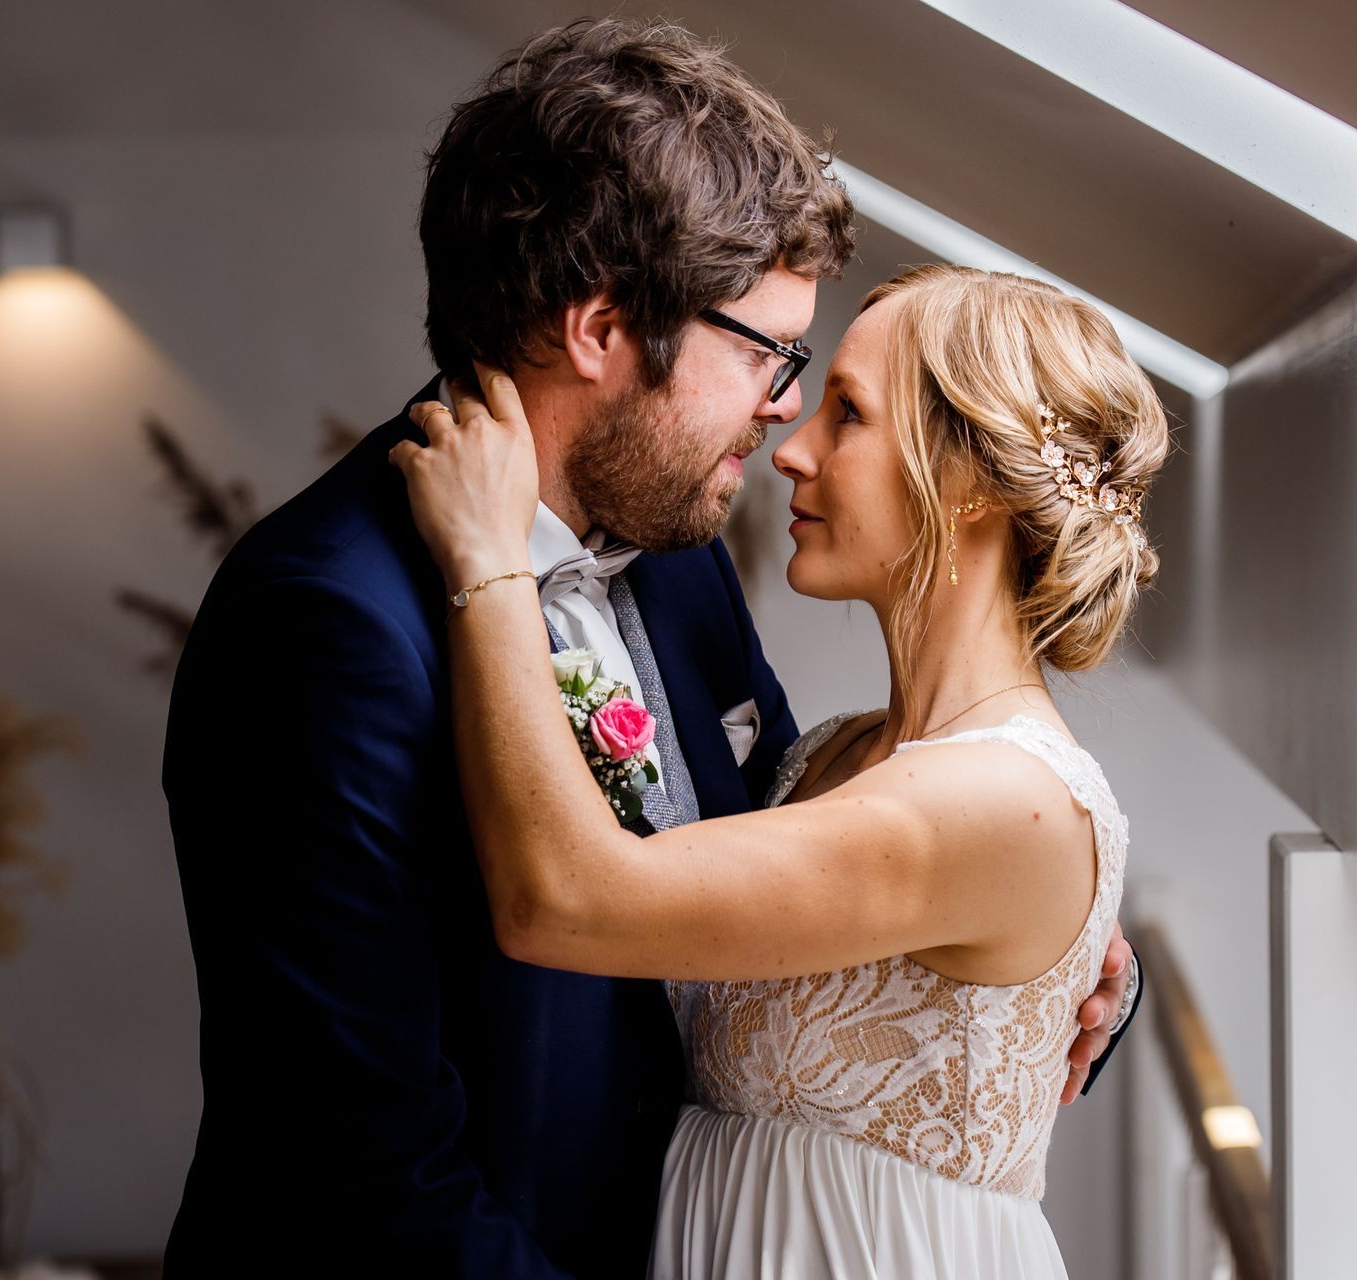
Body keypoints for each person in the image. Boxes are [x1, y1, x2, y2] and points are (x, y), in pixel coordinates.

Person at [162, 19, 1136, 1278]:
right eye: (765, 352)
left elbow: (822, 875)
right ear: (602, 327)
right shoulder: (328, 618)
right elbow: (361, 1167)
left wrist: (1054, 964)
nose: (784, 408)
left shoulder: (676, 556)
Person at [390, 260, 1167, 1277]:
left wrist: (487, 562)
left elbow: (567, 895)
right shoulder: (826, 754)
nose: (790, 449)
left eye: (847, 412)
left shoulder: (1003, 802)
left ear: (972, 481)